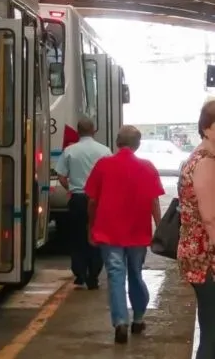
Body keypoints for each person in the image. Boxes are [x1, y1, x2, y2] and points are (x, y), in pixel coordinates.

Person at [84, 125, 164, 344]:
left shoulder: (103, 165)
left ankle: (120, 322)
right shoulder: (147, 167)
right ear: (137, 144)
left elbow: (92, 200)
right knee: (136, 273)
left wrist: (91, 226)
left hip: (109, 230)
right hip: (138, 231)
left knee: (116, 275)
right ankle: (138, 318)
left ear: (117, 142)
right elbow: (154, 201)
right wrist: (159, 227)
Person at [55, 117, 111, 289]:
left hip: (78, 198)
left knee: (77, 236)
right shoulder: (105, 151)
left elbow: (61, 176)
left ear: (78, 131)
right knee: (96, 236)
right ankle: (93, 275)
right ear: (93, 130)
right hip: (98, 199)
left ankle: (79, 274)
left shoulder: (70, 150)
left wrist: (71, 188)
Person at [178, 100, 215, 359]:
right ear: (207, 128)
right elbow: (211, 217)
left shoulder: (197, 158)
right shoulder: (206, 162)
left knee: (210, 326)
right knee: (212, 334)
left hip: (199, 253)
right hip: (207, 257)